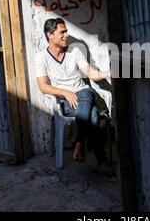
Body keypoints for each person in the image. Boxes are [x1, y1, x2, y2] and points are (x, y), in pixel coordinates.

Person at [35, 18, 113, 175]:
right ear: (50, 35)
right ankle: (102, 161)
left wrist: (109, 73)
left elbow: (91, 74)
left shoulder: (75, 52)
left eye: (66, 31)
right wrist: (65, 92)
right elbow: (43, 87)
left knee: (85, 93)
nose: (66, 35)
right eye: (62, 32)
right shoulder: (41, 57)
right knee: (92, 115)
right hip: (66, 102)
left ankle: (79, 142)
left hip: (84, 93)